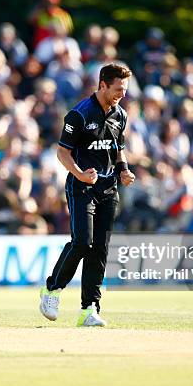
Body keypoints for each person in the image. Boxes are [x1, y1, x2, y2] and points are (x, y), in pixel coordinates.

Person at [39, 63, 135, 327]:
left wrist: (124, 170)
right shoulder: (79, 114)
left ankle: (88, 309)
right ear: (102, 84)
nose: (121, 95)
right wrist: (80, 174)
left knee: (100, 250)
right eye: (117, 89)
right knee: (83, 242)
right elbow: (62, 153)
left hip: (109, 188)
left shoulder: (120, 115)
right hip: (82, 187)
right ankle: (51, 289)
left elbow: (118, 147)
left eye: (124, 90)